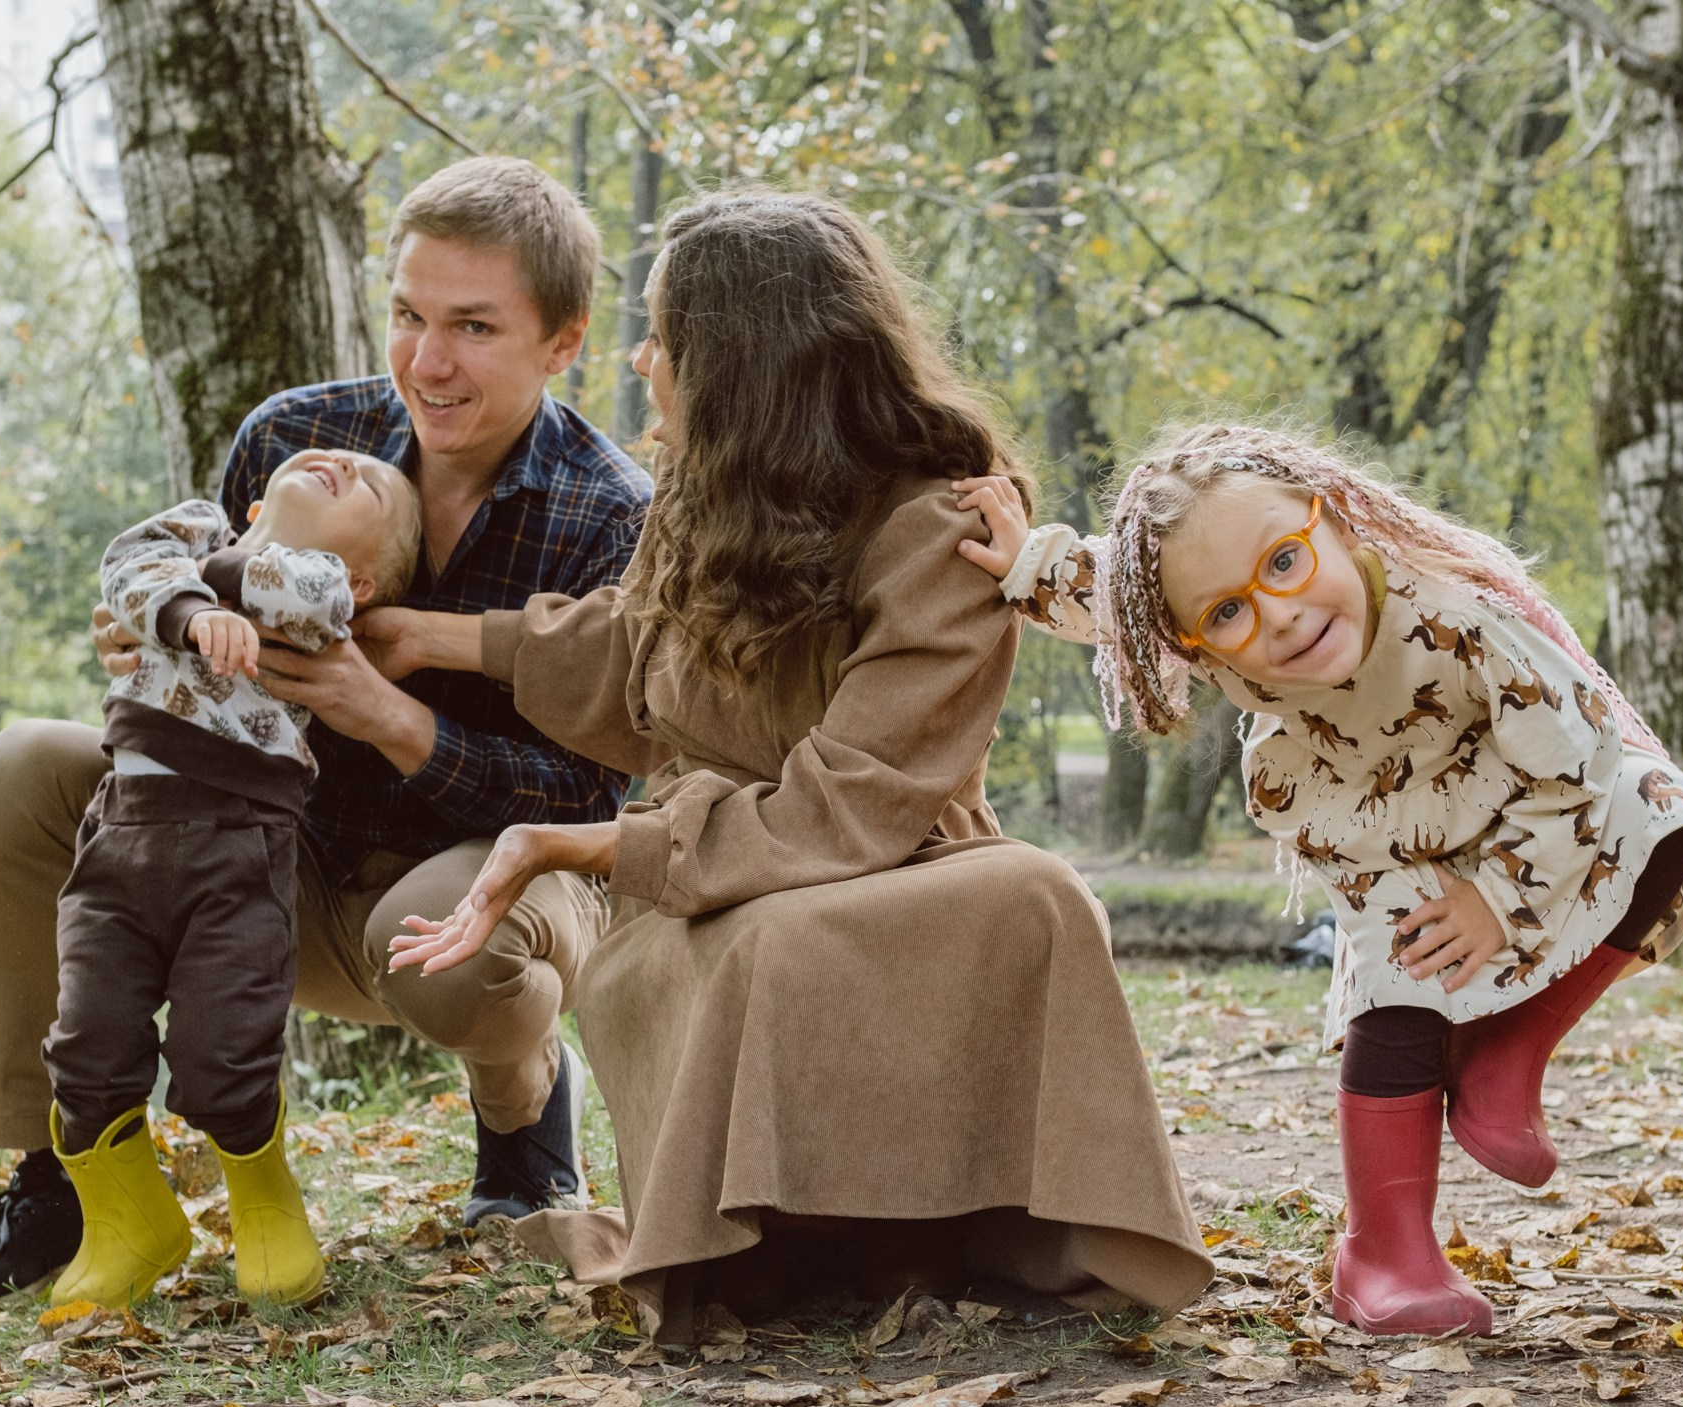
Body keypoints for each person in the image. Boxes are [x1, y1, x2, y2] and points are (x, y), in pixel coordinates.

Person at [364, 190, 1213, 1342]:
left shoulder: (938, 524)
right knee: (732, 939)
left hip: (892, 875)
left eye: (666, 336)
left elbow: (852, 802)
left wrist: (602, 843)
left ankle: (973, 1224)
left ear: (742, 362)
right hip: (728, 876)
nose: (642, 359)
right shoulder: (703, 497)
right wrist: (427, 637)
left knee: (1012, 897)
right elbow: (630, 649)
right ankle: (787, 1246)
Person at [0, 157, 651, 1301]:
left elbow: (595, 804)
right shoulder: (299, 435)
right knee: (25, 769)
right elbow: (186, 597)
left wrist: (395, 717)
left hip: (474, 889)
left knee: (450, 949)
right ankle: (63, 1172)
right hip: (257, 859)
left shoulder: (612, 515)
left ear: (563, 342)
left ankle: (519, 1110)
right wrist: (152, 638)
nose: (427, 360)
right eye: (407, 314)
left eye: (472, 326)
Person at [956, 421, 1683, 1337]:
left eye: (1284, 562)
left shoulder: (1466, 615)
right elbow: (1108, 594)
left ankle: (1506, 1054)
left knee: (1661, 809)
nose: (1276, 613)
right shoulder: (1192, 611)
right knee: (1402, 985)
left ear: (1340, 522)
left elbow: (1577, 767)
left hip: (1526, 804)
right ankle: (1386, 1251)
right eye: (1227, 614)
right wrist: (1022, 562)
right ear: (1195, 645)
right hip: (1367, 820)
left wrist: (1499, 900)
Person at [40, 449, 419, 1310]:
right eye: (326, 457)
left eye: (370, 483)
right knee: (88, 1038)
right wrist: (182, 602)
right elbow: (127, 568)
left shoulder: (320, 591)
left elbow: (302, 596)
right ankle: (129, 1219)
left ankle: (263, 1199)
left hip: (239, 847)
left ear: (366, 579)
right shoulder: (186, 532)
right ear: (249, 505)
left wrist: (199, 584)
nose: (337, 461)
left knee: (225, 1050)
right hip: (123, 831)